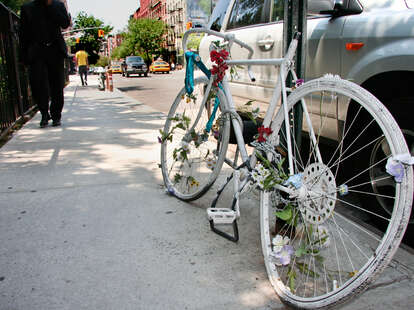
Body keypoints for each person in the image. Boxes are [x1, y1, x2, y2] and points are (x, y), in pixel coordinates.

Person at [19, 0, 71, 128]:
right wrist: (23, 57)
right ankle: (43, 113)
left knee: (56, 84)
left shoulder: (58, 5)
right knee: (38, 84)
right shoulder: (27, 8)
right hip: (36, 52)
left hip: (55, 50)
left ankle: (56, 115)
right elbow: (23, 34)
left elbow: (64, 24)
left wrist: (50, 6)